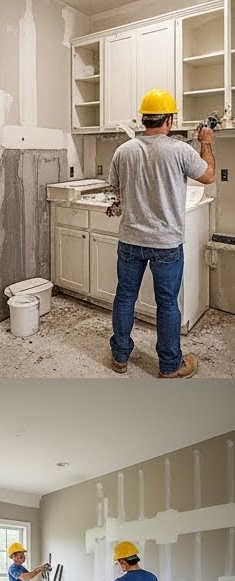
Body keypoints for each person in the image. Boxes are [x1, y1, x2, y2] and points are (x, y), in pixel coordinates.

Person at [105, 88, 215, 378]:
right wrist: (206, 143)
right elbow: (209, 176)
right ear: (168, 119)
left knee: (125, 296)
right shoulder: (180, 149)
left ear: (144, 119)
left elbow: (115, 187)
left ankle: (119, 357)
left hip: (130, 238)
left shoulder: (123, 150)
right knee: (167, 303)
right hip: (166, 242)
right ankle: (169, 365)